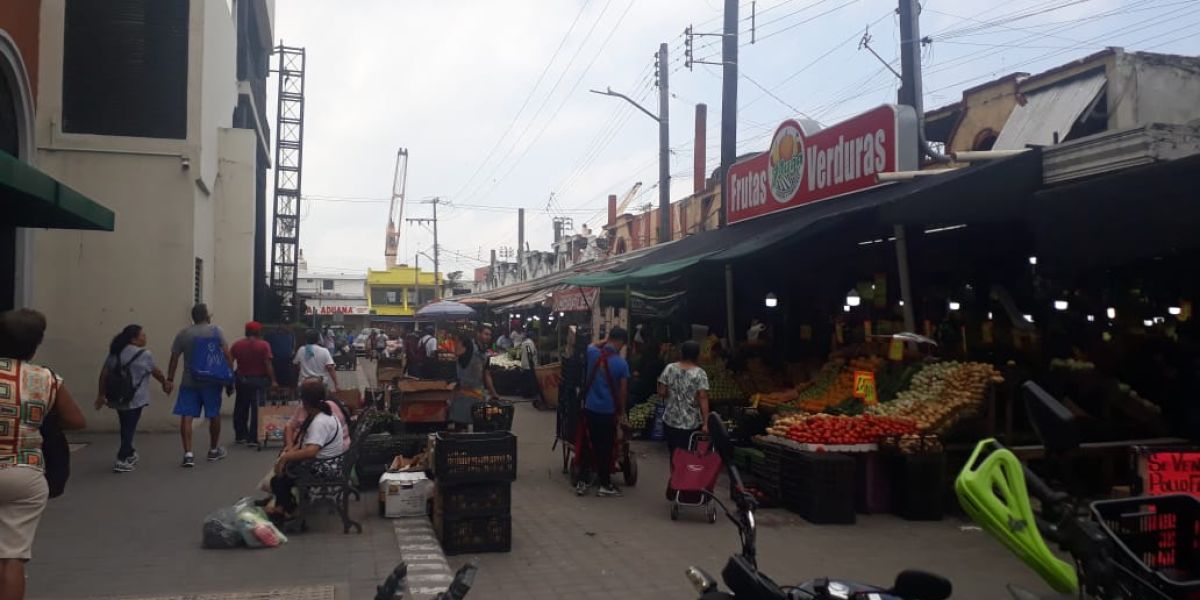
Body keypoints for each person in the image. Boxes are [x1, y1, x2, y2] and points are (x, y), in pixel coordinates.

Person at [0, 309, 86, 600]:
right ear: (36, 344)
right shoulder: (47, 379)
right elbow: (77, 421)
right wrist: (33, 419)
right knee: (13, 555)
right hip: (26, 474)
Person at [94, 325, 171, 472]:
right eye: (142, 335)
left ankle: (129, 452)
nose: (145, 337)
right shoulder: (144, 354)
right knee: (129, 428)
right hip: (134, 398)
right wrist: (165, 383)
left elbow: (104, 374)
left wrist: (101, 395)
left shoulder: (115, 352)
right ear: (134, 339)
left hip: (117, 396)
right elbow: (155, 371)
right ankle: (121, 458)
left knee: (125, 426)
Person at [267, 379, 345, 521]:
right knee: (281, 477)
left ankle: (292, 510)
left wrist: (286, 458)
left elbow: (311, 451)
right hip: (328, 464)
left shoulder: (320, 422)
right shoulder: (323, 415)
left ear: (305, 401)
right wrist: (290, 452)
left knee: (278, 481)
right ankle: (281, 509)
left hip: (323, 469)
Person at [167, 304, 233, 468]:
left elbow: (174, 358)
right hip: (211, 380)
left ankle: (188, 454)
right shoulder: (216, 331)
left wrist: (169, 379)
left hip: (189, 380)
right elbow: (226, 355)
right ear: (206, 316)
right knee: (213, 414)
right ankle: (213, 449)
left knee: (187, 416)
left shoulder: (183, 333)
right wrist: (230, 377)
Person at [577, 327, 631, 498]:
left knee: (588, 444)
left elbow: (592, 344)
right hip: (607, 412)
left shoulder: (593, 353)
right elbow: (623, 391)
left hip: (590, 408)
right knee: (606, 447)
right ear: (621, 342)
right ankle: (605, 484)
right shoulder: (622, 364)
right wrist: (622, 411)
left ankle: (582, 481)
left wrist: (605, 340)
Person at [658, 340, 711, 466]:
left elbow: (662, 392)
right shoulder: (700, 373)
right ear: (697, 355)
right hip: (691, 423)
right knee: (688, 455)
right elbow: (703, 397)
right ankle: (684, 481)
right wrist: (705, 423)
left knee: (674, 454)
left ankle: (675, 480)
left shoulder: (669, 368)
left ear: (681, 353)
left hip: (670, 420)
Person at [230, 321, 277, 447]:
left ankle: (240, 435)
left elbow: (229, 362)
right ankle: (253, 437)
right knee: (257, 409)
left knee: (240, 407)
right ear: (258, 332)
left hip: (242, 379)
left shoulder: (237, 345)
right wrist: (273, 381)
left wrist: (230, 378)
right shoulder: (264, 345)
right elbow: (268, 364)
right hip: (259, 380)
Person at [450, 324, 500, 431]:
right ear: (478, 334)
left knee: (479, 426)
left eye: (490, 335)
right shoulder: (468, 345)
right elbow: (457, 352)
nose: (488, 337)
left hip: (478, 395)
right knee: (461, 428)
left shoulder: (485, 354)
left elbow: (486, 374)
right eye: (486, 334)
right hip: (463, 394)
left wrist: (494, 393)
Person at [519, 329, 544, 407]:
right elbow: (529, 353)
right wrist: (532, 365)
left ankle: (525, 394)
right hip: (529, 365)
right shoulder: (529, 343)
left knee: (526, 380)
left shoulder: (525, 342)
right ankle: (530, 394)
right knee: (531, 380)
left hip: (525, 364)